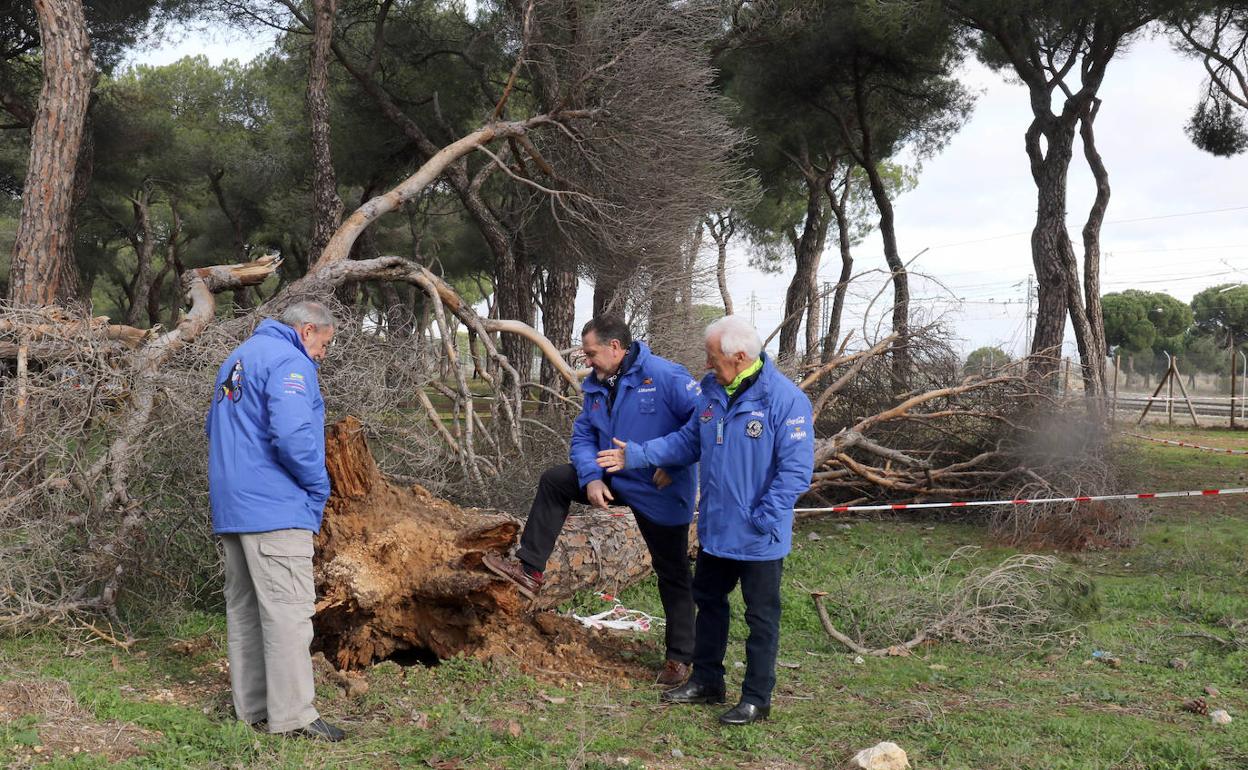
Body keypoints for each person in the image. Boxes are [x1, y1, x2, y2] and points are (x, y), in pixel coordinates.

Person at [596, 315, 814, 725]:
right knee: (709, 603)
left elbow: (796, 472)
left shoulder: (784, 400)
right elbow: (687, 441)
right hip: (717, 530)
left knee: (760, 617)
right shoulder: (712, 391)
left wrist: (762, 518)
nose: (707, 363)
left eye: (713, 356)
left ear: (740, 356)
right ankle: (707, 681)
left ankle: (756, 699)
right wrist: (638, 455)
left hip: (759, 536)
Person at [483, 315, 701, 686]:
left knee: (673, 572)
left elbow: (703, 424)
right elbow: (584, 436)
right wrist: (591, 478)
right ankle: (530, 570)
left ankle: (680, 659)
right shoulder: (597, 385)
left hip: (659, 487)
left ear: (615, 347)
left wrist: (674, 463)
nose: (586, 360)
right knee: (555, 481)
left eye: (591, 353)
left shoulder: (665, 376)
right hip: (613, 476)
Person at [206, 301, 345, 741]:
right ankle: (294, 718)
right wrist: (319, 485)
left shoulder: (238, 358)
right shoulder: (290, 361)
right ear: (307, 330)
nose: (322, 353)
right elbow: (291, 435)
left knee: (246, 611)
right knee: (288, 612)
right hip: (274, 507)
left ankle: (253, 710)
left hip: (234, 507)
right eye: (324, 343)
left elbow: (213, 428)